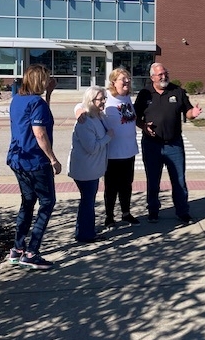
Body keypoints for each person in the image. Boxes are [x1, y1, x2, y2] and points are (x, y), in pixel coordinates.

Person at [7, 64, 61, 270]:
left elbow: (40, 117)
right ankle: (32, 252)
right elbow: (40, 133)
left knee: (28, 202)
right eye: (46, 78)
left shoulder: (17, 100)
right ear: (40, 80)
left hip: (18, 158)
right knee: (47, 202)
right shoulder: (36, 103)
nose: (49, 80)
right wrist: (53, 159)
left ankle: (18, 248)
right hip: (35, 161)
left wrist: (49, 95)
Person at [134, 63, 202, 224]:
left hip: (174, 145)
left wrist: (194, 113)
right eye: (160, 75)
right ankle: (153, 211)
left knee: (178, 180)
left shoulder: (177, 91)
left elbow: (188, 111)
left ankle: (183, 212)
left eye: (166, 73)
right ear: (152, 78)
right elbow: (135, 117)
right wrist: (143, 126)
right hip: (151, 145)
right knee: (153, 180)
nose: (164, 76)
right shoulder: (144, 94)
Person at [75, 67, 139, 228]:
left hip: (129, 151)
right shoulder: (107, 97)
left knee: (127, 185)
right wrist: (79, 111)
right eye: (123, 79)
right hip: (112, 153)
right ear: (113, 82)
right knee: (111, 187)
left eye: (128, 78)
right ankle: (109, 217)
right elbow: (83, 103)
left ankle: (126, 213)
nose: (127, 81)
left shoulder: (128, 99)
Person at [68, 86, 113, 243]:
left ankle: (86, 229)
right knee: (88, 202)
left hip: (92, 169)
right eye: (100, 99)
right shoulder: (85, 121)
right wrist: (108, 137)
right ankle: (85, 234)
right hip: (85, 170)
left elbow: (79, 106)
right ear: (91, 100)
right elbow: (92, 148)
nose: (103, 102)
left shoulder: (97, 116)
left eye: (104, 98)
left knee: (88, 201)